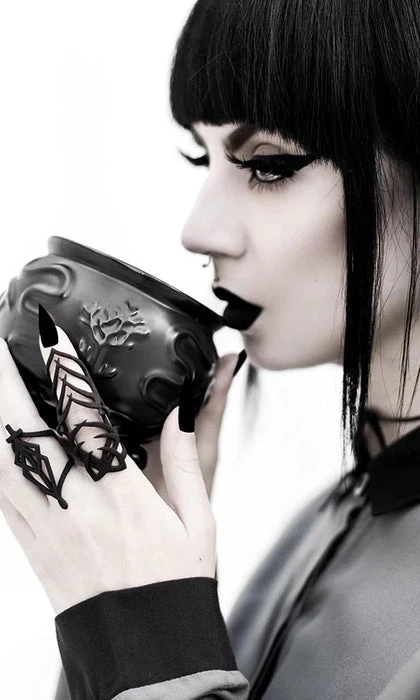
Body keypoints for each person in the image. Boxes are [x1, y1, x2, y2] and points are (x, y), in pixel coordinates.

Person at [3, 0, 420, 698]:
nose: (198, 229)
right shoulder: (325, 524)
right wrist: (136, 614)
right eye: (203, 157)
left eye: (270, 165)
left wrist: (148, 638)